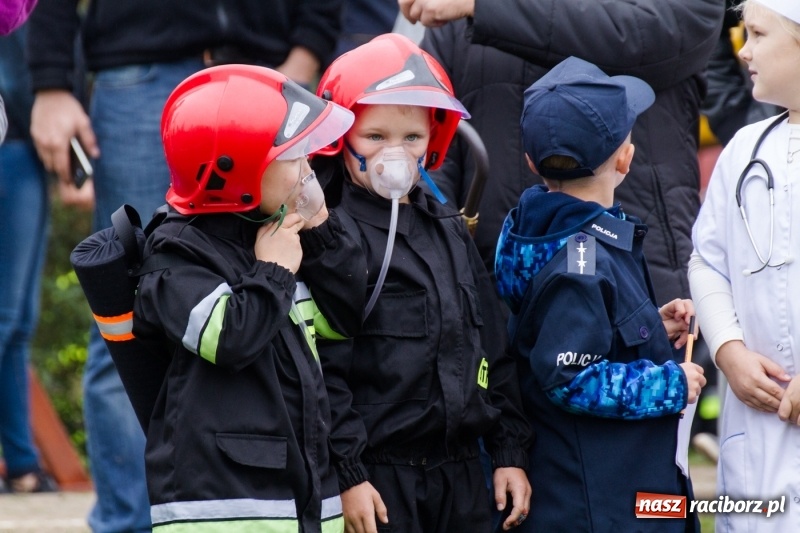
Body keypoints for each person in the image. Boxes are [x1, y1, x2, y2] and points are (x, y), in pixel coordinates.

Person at [26, 1, 343, 530]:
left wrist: (306, 55)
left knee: (291, 295)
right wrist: (51, 83)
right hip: (142, 72)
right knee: (131, 309)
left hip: (267, 75)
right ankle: (129, 521)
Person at [312, 33, 533, 533]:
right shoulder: (330, 239)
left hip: (460, 477)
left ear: (435, 139)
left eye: (411, 138)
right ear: (340, 138)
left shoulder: (449, 229)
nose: (396, 154)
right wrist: (348, 474)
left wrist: (508, 451)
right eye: (375, 137)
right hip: (379, 485)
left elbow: (491, 349)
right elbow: (322, 372)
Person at [132, 64, 362, 531]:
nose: (307, 171)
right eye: (294, 158)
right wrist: (273, 271)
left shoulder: (271, 231)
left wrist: (321, 233)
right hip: (226, 509)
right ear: (234, 170)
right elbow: (230, 338)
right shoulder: (175, 254)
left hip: (303, 495)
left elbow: (344, 318)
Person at [495, 56, 706, 532]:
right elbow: (571, 376)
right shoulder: (581, 260)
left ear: (530, 162)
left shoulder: (565, 236)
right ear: (625, 160)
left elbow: (579, 326)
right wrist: (669, 384)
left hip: (619, 491)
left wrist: (648, 324)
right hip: (599, 505)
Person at [409, 0, 723, 312]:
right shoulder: (458, 13)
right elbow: (434, 147)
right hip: (498, 281)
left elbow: (665, 31)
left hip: (638, 266)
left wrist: (485, 8)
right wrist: (447, 255)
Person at [689, 1, 800, 530]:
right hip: (758, 440)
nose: (743, 50)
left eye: (757, 34)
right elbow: (708, 261)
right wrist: (729, 351)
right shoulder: (742, 151)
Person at [0, 21, 58, 495]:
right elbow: (19, 79)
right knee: (4, 320)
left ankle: (21, 463)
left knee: (18, 324)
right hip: (12, 148)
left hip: (24, 154)